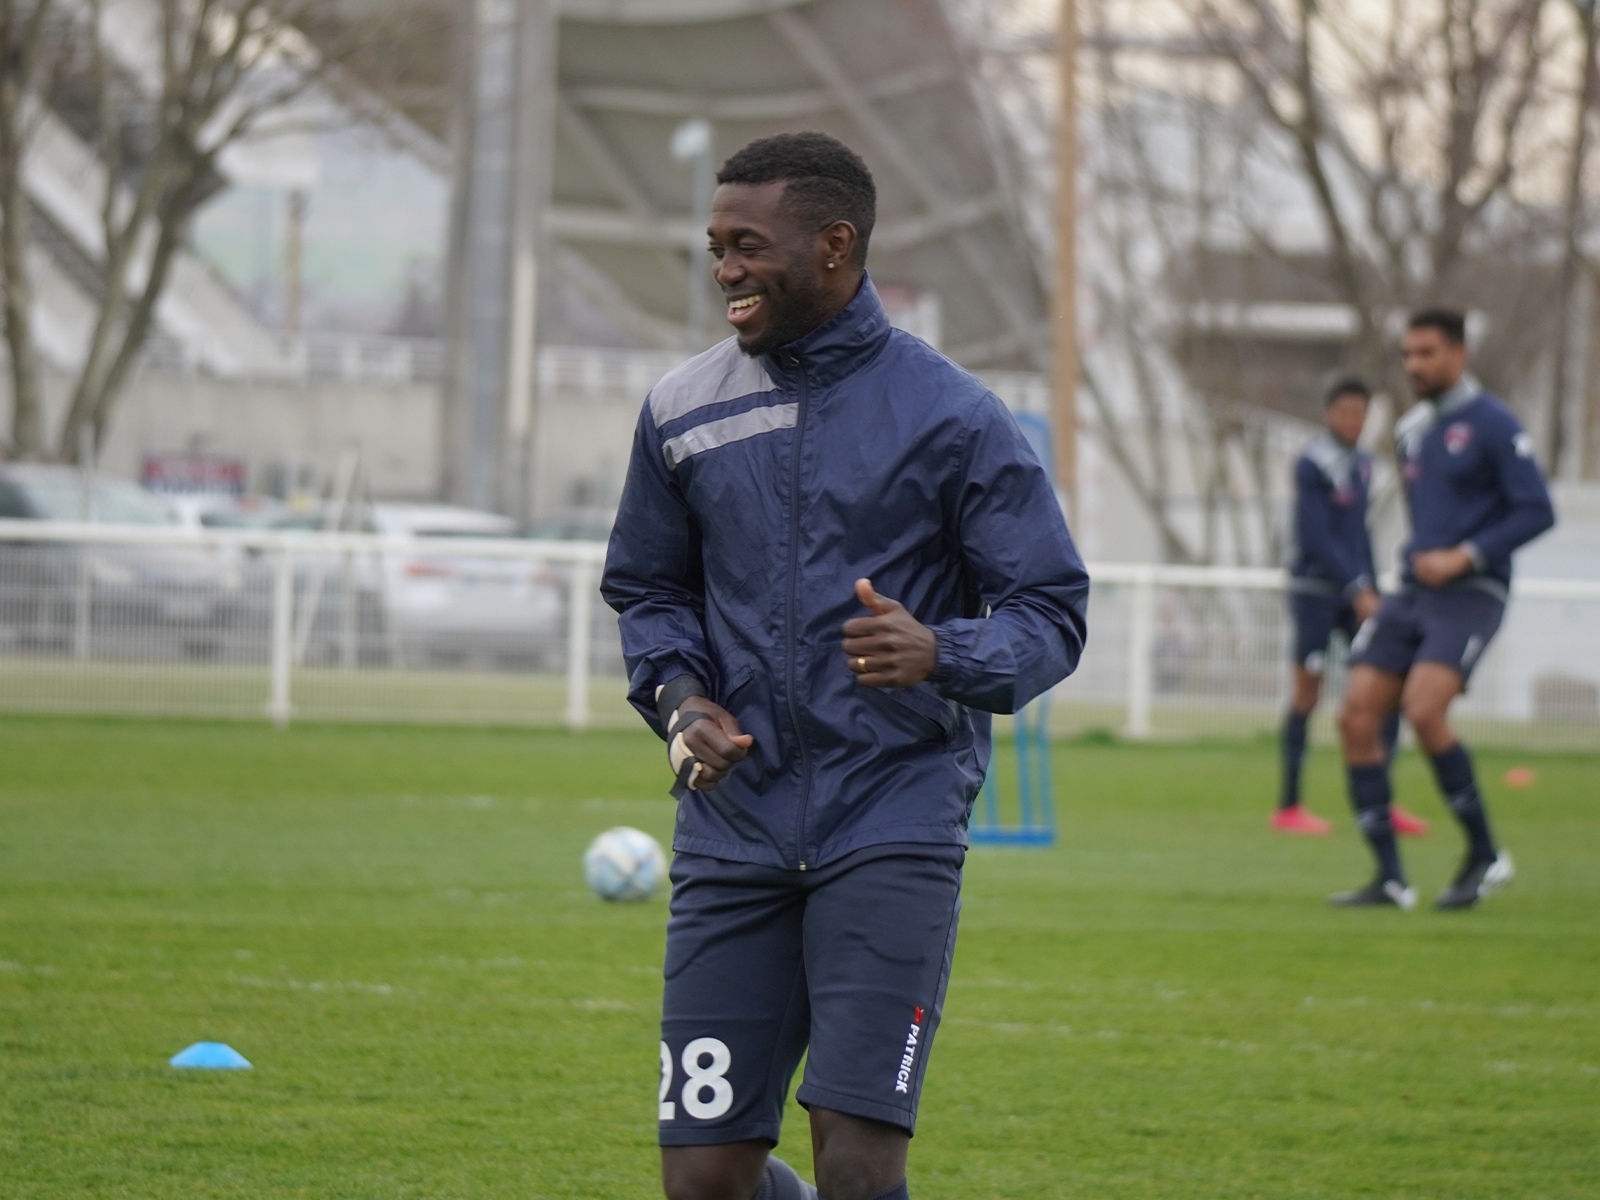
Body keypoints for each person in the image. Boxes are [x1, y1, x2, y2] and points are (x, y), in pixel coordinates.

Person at [601, 132, 1089, 1200]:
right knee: (704, 1179)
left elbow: (1050, 610)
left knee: (858, 1162)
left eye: (748, 244)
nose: (725, 268)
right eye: (716, 245)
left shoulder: (954, 417)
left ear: (834, 245)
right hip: (733, 834)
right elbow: (648, 592)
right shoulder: (682, 410)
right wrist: (681, 702)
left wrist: (940, 650)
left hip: (893, 824)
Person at [1330, 309, 1554, 910]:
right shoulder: (1410, 430)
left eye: (1426, 353)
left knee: (1424, 710)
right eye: (1407, 355)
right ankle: (1390, 880)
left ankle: (1485, 855)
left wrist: (1466, 555)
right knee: (1355, 718)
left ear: (1458, 353)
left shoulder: (1495, 424)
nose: (1414, 366)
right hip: (1410, 592)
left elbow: (1537, 509)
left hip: (1470, 593)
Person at [1275, 379, 1426, 837]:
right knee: (1307, 693)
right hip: (1316, 592)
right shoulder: (1312, 464)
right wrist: (1356, 584)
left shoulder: (1364, 466)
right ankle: (1289, 805)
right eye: (1344, 412)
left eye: (1360, 412)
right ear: (1328, 414)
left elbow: (1358, 534)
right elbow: (1316, 536)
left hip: (1356, 591)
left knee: (1387, 688)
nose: (1352, 421)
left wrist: (1372, 586)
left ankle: (1382, 801)